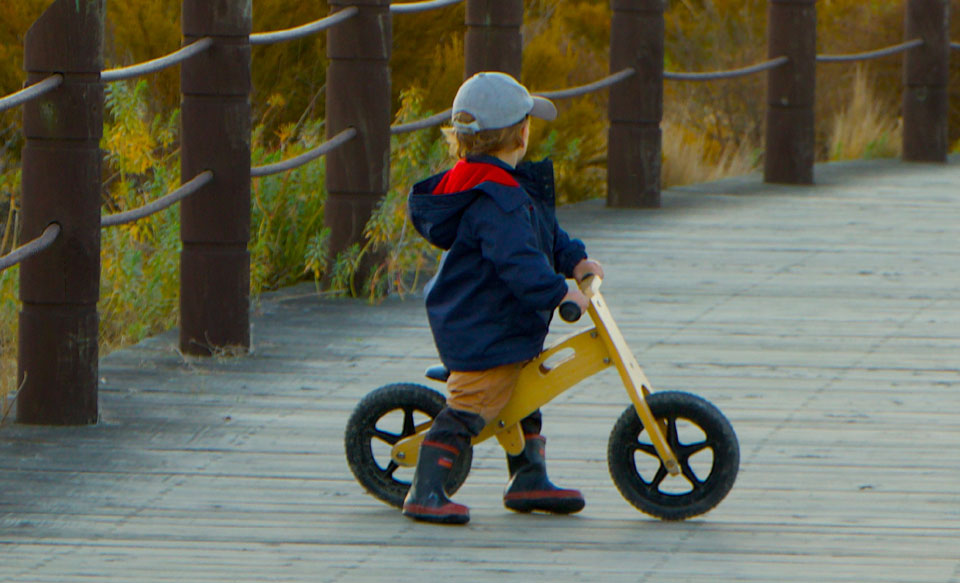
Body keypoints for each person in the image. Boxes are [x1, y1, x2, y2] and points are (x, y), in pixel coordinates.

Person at [404, 71, 604, 525]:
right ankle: (426, 489)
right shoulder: (494, 199)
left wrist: (575, 261)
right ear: (520, 133)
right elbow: (519, 261)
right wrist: (559, 292)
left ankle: (527, 477)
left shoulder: (507, 188)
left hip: (501, 322)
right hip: (481, 328)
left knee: (526, 393)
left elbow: (545, 235)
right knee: (474, 406)